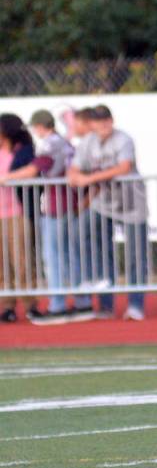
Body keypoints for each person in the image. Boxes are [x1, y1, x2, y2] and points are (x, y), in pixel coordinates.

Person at [0, 110, 93, 325]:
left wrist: (6, 178)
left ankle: (55, 305)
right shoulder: (56, 143)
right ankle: (79, 303)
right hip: (55, 206)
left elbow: (35, 169)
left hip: (41, 209)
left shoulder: (46, 146)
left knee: (48, 258)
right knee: (60, 256)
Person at [66, 105, 149, 320]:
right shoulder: (88, 142)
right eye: (99, 120)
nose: (104, 124)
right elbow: (74, 169)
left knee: (135, 256)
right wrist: (75, 176)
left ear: (112, 121)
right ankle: (104, 302)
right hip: (103, 204)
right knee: (82, 235)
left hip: (131, 204)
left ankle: (136, 306)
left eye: (107, 119)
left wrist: (89, 178)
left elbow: (124, 167)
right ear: (92, 124)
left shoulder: (123, 140)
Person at [0, 114, 43, 323]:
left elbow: (32, 172)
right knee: (2, 264)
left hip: (17, 213)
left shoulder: (22, 152)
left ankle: (30, 305)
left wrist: (6, 178)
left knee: (22, 260)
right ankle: (7, 306)